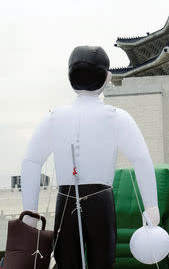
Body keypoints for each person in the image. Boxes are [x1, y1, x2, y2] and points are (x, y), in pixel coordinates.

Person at [21, 46, 160, 268]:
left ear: (70, 76)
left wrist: (30, 210)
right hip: (100, 199)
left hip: (65, 198)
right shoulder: (117, 117)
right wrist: (151, 205)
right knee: (102, 260)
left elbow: (31, 161)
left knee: (66, 260)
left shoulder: (55, 117)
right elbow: (141, 159)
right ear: (107, 76)